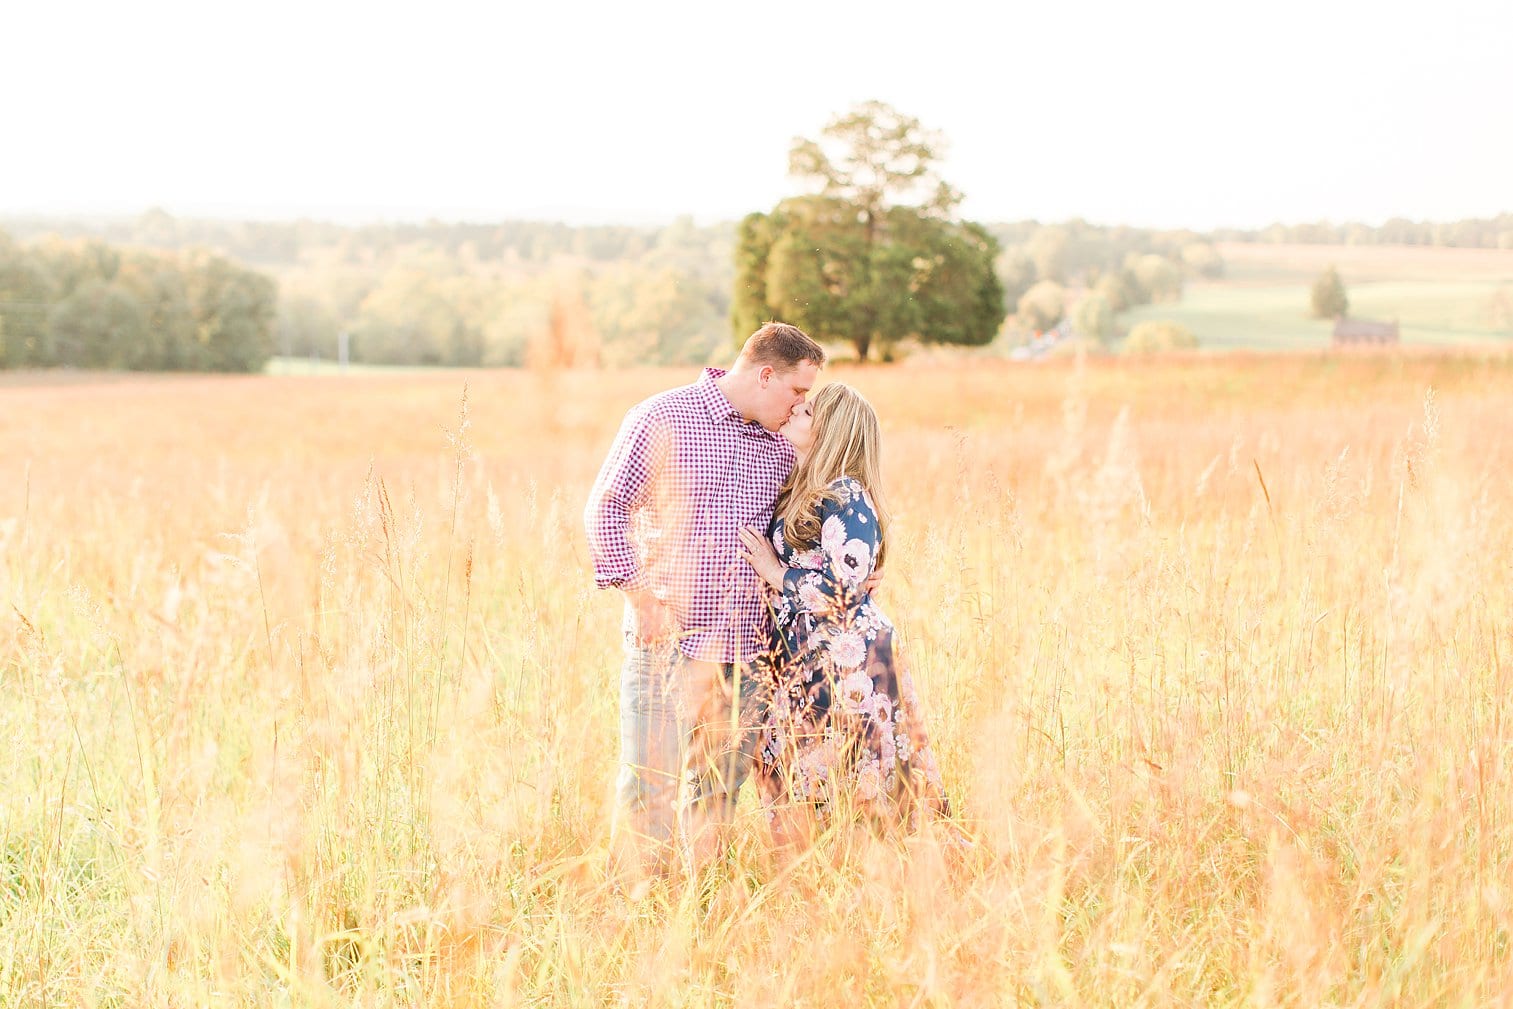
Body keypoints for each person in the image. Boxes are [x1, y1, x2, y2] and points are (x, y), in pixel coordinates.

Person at [584, 321, 826, 874]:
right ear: (766, 375)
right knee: (650, 785)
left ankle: (702, 919)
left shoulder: (783, 449)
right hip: (668, 643)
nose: (798, 407)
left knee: (716, 795)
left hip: (745, 652)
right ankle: (643, 913)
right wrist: (642, 600)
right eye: (797, 391)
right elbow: (605, 509)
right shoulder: (663, 417)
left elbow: (803, 533)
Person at [737, 382, 949, 843]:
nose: (796, 410)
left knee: (859, 773)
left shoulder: (846, 495)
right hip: (804, 656)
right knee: (805, 768)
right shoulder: (806, 486)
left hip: (848, 660)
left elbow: (845, 592)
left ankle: (894, 876)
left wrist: (778, 574)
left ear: (830, 431)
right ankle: (818, 875)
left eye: (808, 410)